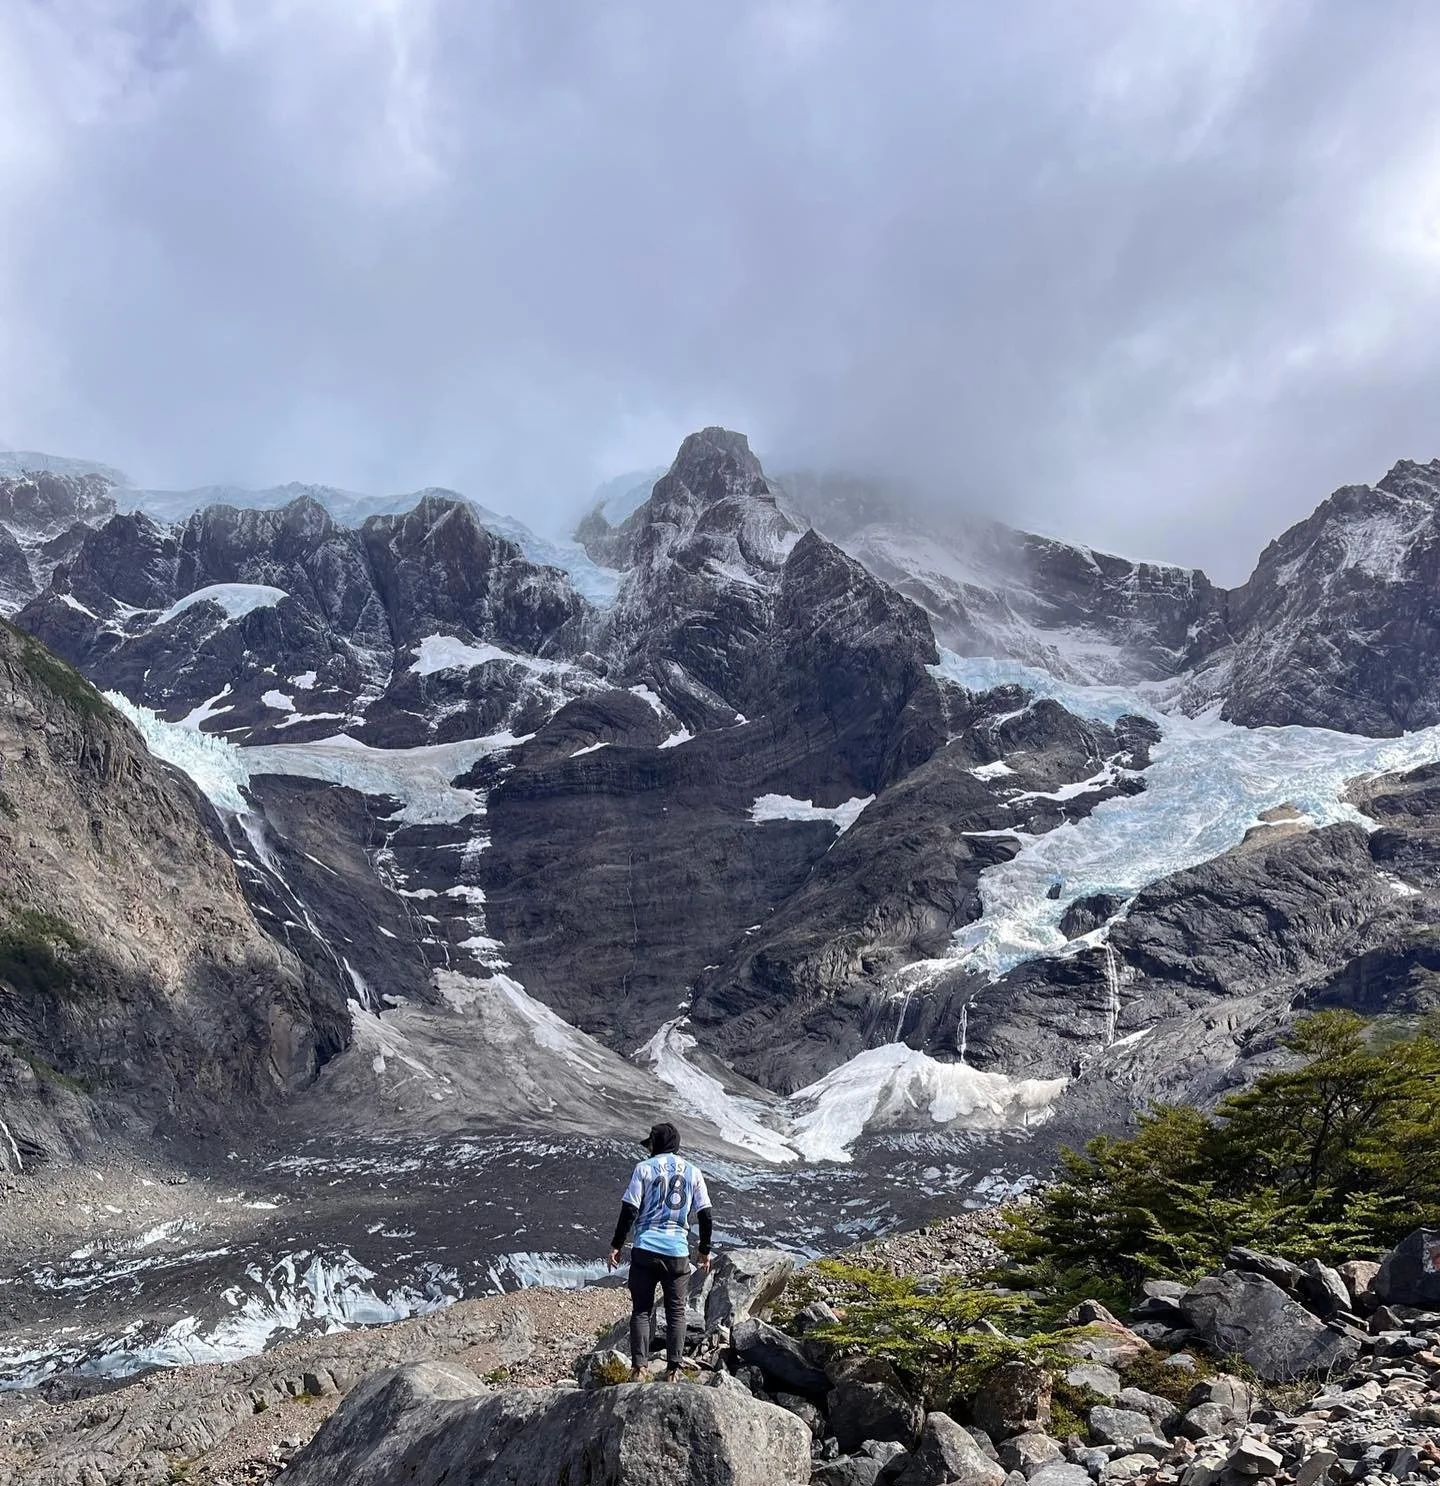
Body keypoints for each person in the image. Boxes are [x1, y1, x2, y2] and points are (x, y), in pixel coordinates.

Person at [607, 1121, 713, 1382]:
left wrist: (617, 1245)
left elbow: (629, 1209)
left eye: (651, 1144)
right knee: (676, 1311)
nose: (648, 1149)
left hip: (645, 1249)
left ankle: (639, 1368)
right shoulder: (693, 1172)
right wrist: (704, 1249)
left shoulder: (643, 1169)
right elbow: (706, 1214)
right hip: (677, 1252)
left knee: (641, 1310)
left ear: (657, 1145)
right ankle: (674, 1369)